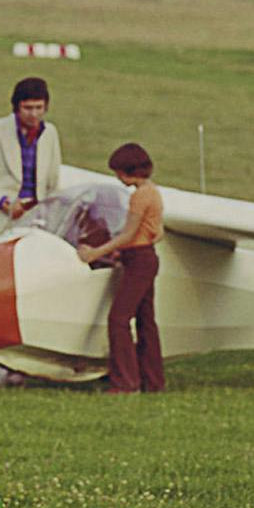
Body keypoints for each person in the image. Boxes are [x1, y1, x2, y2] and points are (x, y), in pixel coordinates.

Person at [0, 77, 62, 383]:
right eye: (28, 108)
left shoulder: (50, 134)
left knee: (26, 296)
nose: (33, 114)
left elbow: (53, 182)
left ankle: (15, 367)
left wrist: (46, 213)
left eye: (39, 108)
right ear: (16, 108)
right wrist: (4, 202)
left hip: (33, 224)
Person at [84, 142, 165, 394]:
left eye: (119, 172)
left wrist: (95, 253)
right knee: (146, 321)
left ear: (128, 171)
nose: (118, 178)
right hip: (146, 257)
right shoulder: (154, 192)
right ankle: (152, 380)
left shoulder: (140, 196)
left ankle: (125, 382)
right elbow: (157, 233)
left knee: (118, 319)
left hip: (139, 261)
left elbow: (128, 234)